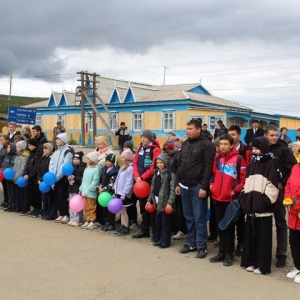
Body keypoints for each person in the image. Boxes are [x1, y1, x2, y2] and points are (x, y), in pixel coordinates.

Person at [175, 119, 215, 259]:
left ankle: (201, 245)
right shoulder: (185, 143)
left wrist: (204, 187)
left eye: (191, 128)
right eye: (187, 128)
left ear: (198, 129)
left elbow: (209, 167)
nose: (188, 131)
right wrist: (177, 183)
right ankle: (191, 242)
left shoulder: (207, 145)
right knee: (189, 216)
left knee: (199, 217)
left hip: (198, 186)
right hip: (184, 185)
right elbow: (180, 165)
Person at [240, 137, 279, 275]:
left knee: (263, 239)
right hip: (251, 209)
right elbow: (246, 183)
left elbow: (273, 187)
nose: (255, 152)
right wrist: (245, 198)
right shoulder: (251, 165)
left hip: (263, 210)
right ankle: (252, 261)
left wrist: (263, 202)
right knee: (251, 237)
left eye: (257, 149)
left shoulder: (269, 164)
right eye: (253, 149)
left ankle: (262, 266)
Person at [209, 134, 246, 266]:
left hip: (230, 200)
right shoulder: (217, 158)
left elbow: (243, 179)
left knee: (229, 227)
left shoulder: (239, 159)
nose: (223, 147)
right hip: (217, 198)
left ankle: (229, 254)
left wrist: (234, 190)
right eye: (221, 144)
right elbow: (213, 175)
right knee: (220, 227)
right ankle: (221, 252)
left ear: (231, 145)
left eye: (225, 144)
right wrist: (212, 185)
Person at [265, 125, 297, 267]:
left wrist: (282, 182)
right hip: (263, 190)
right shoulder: (261, 149)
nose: (274, 137)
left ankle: (281, 254)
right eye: (271, 135)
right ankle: (263, 253)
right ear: (265, 135)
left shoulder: (284, 149)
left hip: (279, 191)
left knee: (280, 222)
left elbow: (293, 169)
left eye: (275, 135)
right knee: (263, 221)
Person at [132, 129, 161, 240]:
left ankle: (154, 232)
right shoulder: (140, 148)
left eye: (144, 137)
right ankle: (144, 230)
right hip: (140, 183)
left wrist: (143, 177)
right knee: (143, 207)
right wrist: (137, 176)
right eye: (141, 137)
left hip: (150, 181)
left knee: (151, 207)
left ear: (149, 138)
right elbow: (135, 163)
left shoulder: (156, 149)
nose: (142, 139)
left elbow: (154, 167)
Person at [228, 125, 252, 256]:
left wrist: (240, 187)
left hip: (241, 189)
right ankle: (228, 244)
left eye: (233, 134)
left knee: (240, 218)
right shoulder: (225, 150)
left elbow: (246, 172)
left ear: (239, 136)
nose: (231, 137)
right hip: (228, 189)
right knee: (229, 217)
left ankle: (241, 243)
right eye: (229, 134)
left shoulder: (246, 151)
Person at [148, 153, 176, 248]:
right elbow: (152, 188)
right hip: (156, 202)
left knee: (166, 223)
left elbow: (172, 191)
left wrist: (169, 203)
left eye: (161, 163)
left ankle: (165, 241)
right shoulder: (156, 174)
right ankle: (158, 239)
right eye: (158, 163)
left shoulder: (170, 175)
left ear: (165, 163)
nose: (159, 164)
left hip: (165, 203)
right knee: (158, 222)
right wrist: (149, 200)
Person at [49, 133, 73, 224]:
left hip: (62, 178)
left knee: (62, 196)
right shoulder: (56, 152)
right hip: (54, 178)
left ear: (64, 140)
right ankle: (61, 214)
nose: (57, 141)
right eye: (56, 139)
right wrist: (52, 175)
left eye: (59, 139)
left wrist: (56, 177)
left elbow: (64, 166)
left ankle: (66, 214)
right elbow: (51, 164)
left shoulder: (68, 152)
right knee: (57, 196)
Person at [284, 153, 300, 284]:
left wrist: (297, 202)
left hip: (298, 209)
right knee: (294, 240)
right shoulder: (295, 167)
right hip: (293, 213)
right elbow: (288, 185)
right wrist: (287, 199)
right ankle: (297, 266)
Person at [113, 149, 134, 236]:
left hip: (123, 194)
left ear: (127, 159)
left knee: (124, 210)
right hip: (118, 192)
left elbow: (129, 182)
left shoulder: (130, 169)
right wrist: (115, 189)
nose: (121, 159)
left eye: (123, 158)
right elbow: (117, 179)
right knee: (121, 211)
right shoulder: (122, 168)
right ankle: (122, 226)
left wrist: (124, 194)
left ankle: (126, 227)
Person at [79, 152, 101, 229]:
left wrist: (91, 188)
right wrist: (81, 188)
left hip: (91, 192)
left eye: (88, 158)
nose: (87, 160)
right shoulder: (87, 168)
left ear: (93, 160)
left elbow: (95, 180)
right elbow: (84, 180)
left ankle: (92, 221)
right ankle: (87, 220)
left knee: (92, 207)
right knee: (87, 207)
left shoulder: (96, 169)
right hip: (85, 191)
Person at [24, 138, 43, 217]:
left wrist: (31, 175)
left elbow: (36, 166)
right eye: (28, 145)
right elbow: (27, 164)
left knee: (36, 193)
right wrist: (26, 173)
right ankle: (33, 208)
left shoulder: (38, 153)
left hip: (35, 177)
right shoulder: (31, 153)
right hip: (29, 177)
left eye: (30, 145)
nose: (29, 147)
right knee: (30, 193)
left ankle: (38, 209)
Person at [99, 153, 118, 231]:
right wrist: (100, 186)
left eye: (109, 161)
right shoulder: (104, 169)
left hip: (110, 192)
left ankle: (111, 224)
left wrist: (104, 188)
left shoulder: (115, 171)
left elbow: (112, 183)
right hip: (103, 192)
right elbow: (101, 179)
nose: (107, 163)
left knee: (110, 208)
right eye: (106, 161)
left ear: (113, 162)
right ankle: (106, 222)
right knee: (104, 207)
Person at [38, 143, 56, 220]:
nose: (44, 150)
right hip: (42, 181)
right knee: (44, 197)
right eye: (44, 149)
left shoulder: (51, 158)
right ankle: (45, 212)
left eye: (46, 149)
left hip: (48, 180)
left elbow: (49, 170)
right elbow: (38, 169)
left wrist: (43, 179)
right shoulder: (42, 158)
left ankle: (51, 214)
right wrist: (39, 178)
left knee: (50, 198)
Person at [207, 137, 221, 243]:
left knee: (220, 214)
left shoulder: (221, 158)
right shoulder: (213, 157)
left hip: (221, 189)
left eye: (217, 146)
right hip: (213, 188)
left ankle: (220, 235)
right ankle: (213, 233)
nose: (216, 148)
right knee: (213, 212)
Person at [67, 151, 86, 226]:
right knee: (71, 204)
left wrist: (75, 177)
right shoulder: (71, 167)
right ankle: (72, 218)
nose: (75, 160)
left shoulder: (82, 168)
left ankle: (78, 219)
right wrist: (68, 178)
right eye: (74, 159)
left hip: (77, 189)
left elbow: (83, 179)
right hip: (71, 188)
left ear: (80, 160)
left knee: (77, 203)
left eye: (77, 159)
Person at [13, 140, 29, 214]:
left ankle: (23, 208)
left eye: (18, 147)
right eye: (16, 147)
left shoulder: (24, 156)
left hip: (21, 178)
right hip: (15, 178)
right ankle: (18, 207)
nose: (16, 148)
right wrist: (13, 175)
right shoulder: (17, 156)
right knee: (17, 193)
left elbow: (22, 168)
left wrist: (16, 176)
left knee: (22, 193)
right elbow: (14, 166)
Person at [2, 142, 17, 212]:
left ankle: (13, 204)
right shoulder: (6, 155)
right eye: (7, 147)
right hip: (5, 176)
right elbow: (3, 164)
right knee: (8, 190)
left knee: (12, 191)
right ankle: (10, 203)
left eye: (9, 147)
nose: (7, 149)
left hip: (11, 176)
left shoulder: (14, 156)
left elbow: (13, 166)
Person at [0, 135, 10, 209]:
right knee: (4, 186)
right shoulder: (2, 149)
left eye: (3, 140)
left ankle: (8, 201)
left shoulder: (8, 149)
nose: (1, 141)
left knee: (7, 187)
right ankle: (5, 200)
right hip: (1, 170)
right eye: (0, 140)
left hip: (6, 170)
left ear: (7, 140)